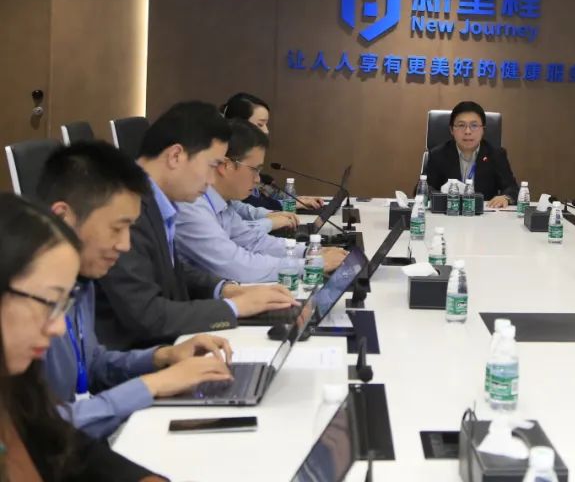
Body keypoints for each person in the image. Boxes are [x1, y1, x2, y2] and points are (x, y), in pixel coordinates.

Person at [38, 142, 236, 438]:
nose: (125, 245)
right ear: (63, 218)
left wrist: (162, 357)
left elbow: (93, 365)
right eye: (116, 228)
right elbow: (39, 429)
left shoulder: (80, 281)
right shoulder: (19, 301)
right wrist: (152, 385)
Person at [94, 101, 298, 350]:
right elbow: (146, 313)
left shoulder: (155, 199)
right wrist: (233, 308)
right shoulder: (124, 209)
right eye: (212, 165)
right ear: (175, 156)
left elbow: (173, 271)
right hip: (137, 356)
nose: (212, 179)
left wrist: (223, 289)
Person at [0, 194, 167, 481]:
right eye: (48, 302)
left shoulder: (17, 385)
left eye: (62, 305)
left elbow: (63, 440)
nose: (57, 328)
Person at [174, 119, 346, 283]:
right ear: (226, 165)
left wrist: (309, 252)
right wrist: (312, 265)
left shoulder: (222, 203)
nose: (257, 180)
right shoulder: (192, 206)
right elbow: (236, 265)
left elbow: (254, 242)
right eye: (254, 170)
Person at [221, 92, 323, 212]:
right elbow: (247, 205)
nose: (266, 131)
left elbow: (252, 207)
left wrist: (296, 201)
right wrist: (287, 206)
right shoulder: (226, 159)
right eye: (260, 124)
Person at [421, 101, 518, 208]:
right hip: (450, 211)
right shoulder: (438, 154)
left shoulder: (496, 155)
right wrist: (441, 197)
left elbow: (512, 188)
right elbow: (423, 188)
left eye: (474, 125)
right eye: (461, 125)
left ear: (483, 130)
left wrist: (505, 197)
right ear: (452, 130)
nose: (467, 131)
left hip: (484, 214)